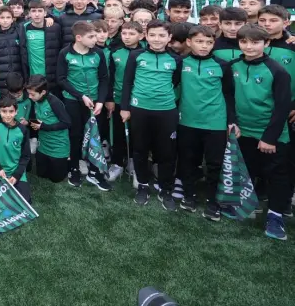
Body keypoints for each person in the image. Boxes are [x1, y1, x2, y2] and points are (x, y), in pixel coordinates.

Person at [229, 25, 291, 240]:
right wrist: (232, 122)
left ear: (266, 43)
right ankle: (247, 205)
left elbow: (282, 107)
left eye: (255, 42)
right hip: (243, 131)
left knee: (277, 176)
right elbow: (228, 96)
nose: (249, 46)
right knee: (248, 169)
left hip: (270, 135)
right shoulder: (233, 66)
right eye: (244, 42)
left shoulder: (277, 71)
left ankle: (275, 216)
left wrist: (269, 137)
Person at [176, 25, 237, 221]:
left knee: (214, 164)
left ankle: (213, 201)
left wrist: (231, 120)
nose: (204, 46)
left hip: (215, 123)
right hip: (187, 121)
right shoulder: (181, 63)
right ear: (189, 42)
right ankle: (189, 195)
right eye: (199, 41)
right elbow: (173, 87)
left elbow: (229, 94)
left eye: (209, 42)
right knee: (188, 160)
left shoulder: (222, 65)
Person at [120, 21, 182, 211]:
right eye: (152, 35)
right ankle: (143, 185)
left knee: (166, 152)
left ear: (169, 38)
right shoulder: (136, 55)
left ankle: (165, 189)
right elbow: (127, 82)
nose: (157, 39)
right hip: (139, 109)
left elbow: (175, 81)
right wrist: (125, 107)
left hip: (166, 111)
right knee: (140, 149)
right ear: (146, 36)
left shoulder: (176, 59)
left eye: (162, 35)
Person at [56, 21, 109, 189]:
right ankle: (74, 168)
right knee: (75, 135)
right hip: (73, 101)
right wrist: (81, 96)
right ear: (79, 38)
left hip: (95, 103)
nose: (96, 39)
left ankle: (95, 171)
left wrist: (100, 101)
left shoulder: (98, 53)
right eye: (91, 36)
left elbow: (104, 78)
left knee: (95, 136)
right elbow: (61, 79)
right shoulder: (65, 53)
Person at [106, 21, 144, 183]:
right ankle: (117, 163)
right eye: (124, 33)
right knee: (119, 132)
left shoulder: (145, 53)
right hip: (118, 99)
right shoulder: (115, 53)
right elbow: (109, 78)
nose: (127, 37)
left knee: (138, 133)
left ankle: (133, 162)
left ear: (141, 36)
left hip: (139, 100)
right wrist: (109, 98)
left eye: (132, 34)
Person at [0, 95, 32, 202]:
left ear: (16, 112)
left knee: (25, 201)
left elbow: (26, 156)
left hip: (15, 170)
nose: (8, 115)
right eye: (4, 111)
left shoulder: (23, 130)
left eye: (11, 111)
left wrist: (17, 175)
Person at [26, 75, 71, 183]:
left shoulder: (54, 102)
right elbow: (40, 121)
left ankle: (69, 163)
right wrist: (28, 122)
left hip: (58, 146)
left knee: (56, 179)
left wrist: (44, 127)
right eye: (28, 93)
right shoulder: (36, 101)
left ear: (43, 92)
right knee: (41, 174)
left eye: (32, 94)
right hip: (43, 145)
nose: (29, 97)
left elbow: (67, 123)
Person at [21, 0, 62, 92]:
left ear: (45, 13)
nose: (37, 14)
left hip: (51, 74)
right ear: (29, 13)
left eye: (40, 11)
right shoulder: (24, 28)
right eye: (33, 11)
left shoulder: (55, 28)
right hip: (32, 76)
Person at [0, 7, 24, 90]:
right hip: (0, 79)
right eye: (2, 17)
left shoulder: (19, 33)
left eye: (8, 17)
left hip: (18, 77)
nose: (5, 20)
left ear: (12, 19)